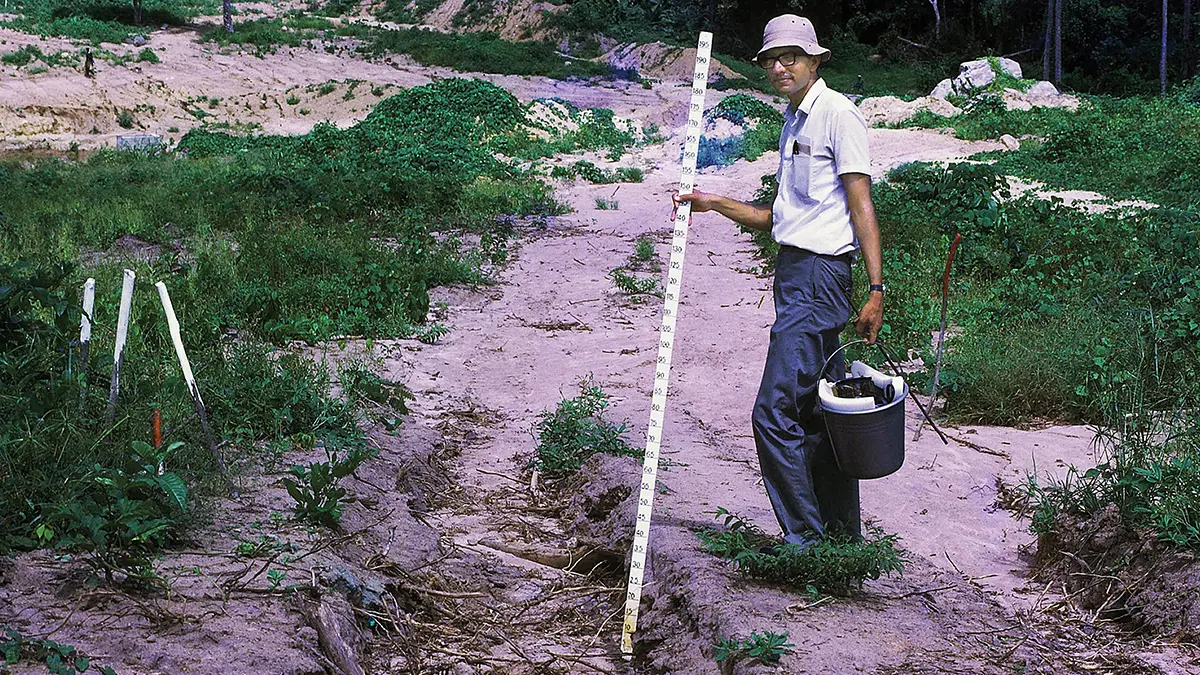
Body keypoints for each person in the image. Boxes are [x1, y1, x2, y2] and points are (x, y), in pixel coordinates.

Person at [674, 14, 884, 549]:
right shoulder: (794, 120)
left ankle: (806, 543)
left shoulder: (838, 115)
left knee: (772, 412)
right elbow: (783, 217)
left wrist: (876, 289)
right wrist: (715, 202)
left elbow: (861, 206)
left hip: (818, 277)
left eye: (791, 56)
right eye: (772, 59)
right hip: (795, 272)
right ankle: (841, 540)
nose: (780, 67)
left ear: (815, 60)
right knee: (814, 413)